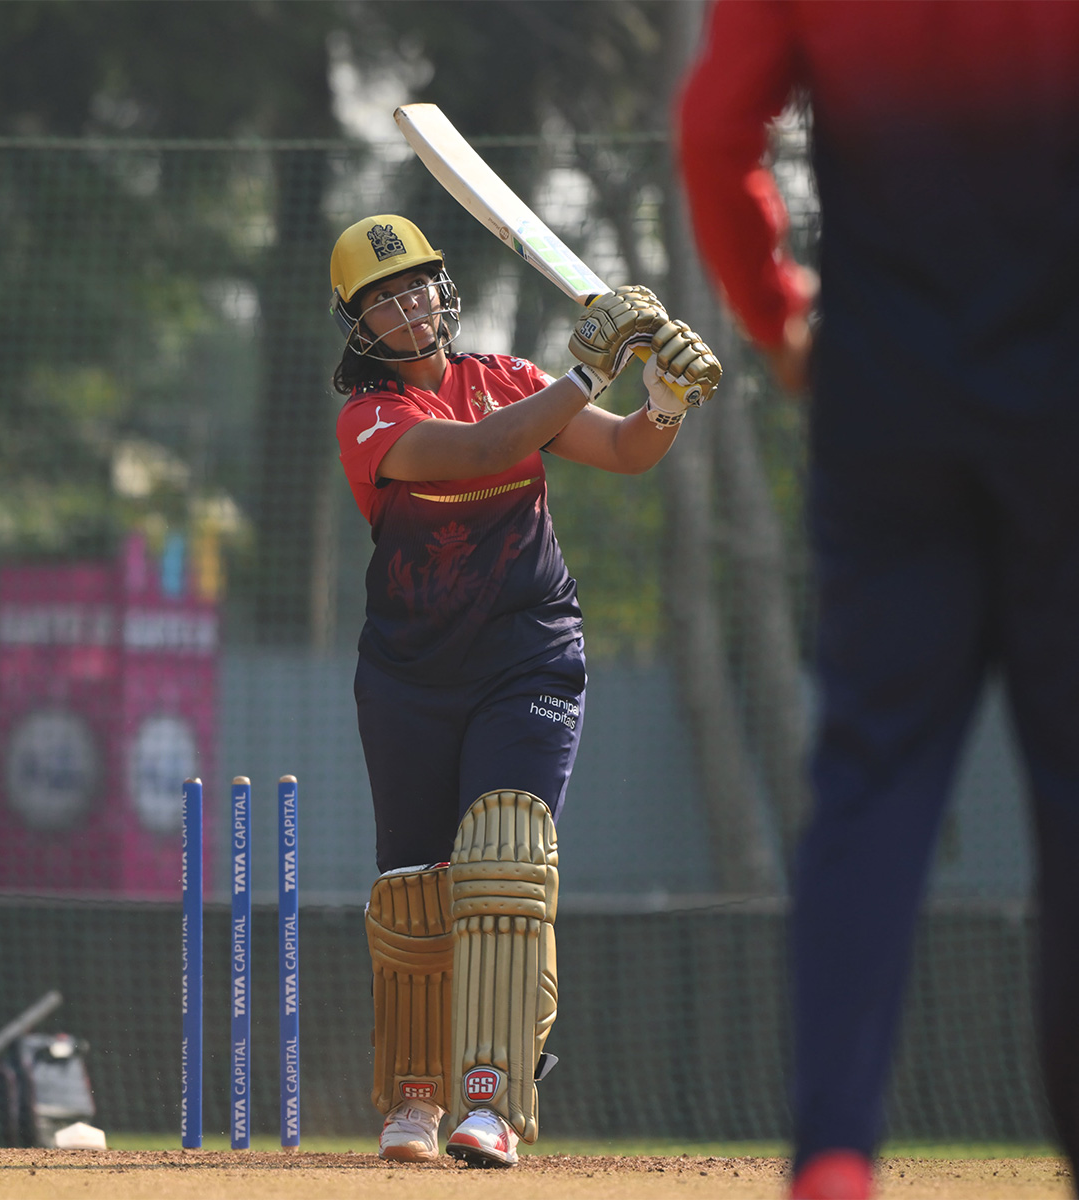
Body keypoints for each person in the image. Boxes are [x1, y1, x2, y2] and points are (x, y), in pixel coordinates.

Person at [676, 4, 1079, 1197]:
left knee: (870, 782)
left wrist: (773, 311)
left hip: (882, 403)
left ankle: (836, 1157)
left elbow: (713, 131)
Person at [329, 214, 721, 1166]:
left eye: (420, 283)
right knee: (419, 894)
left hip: (527, 656)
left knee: (507, 855)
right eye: (386, 296)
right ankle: (415, 1100)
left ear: (445, 290)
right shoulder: (371, 419)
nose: (411, 304)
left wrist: (663, 397)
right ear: (358, 323)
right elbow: (476, 455)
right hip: (411, 676)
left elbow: (626, 451)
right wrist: (586, 374)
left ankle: (491, 1100)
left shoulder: (504, 377)